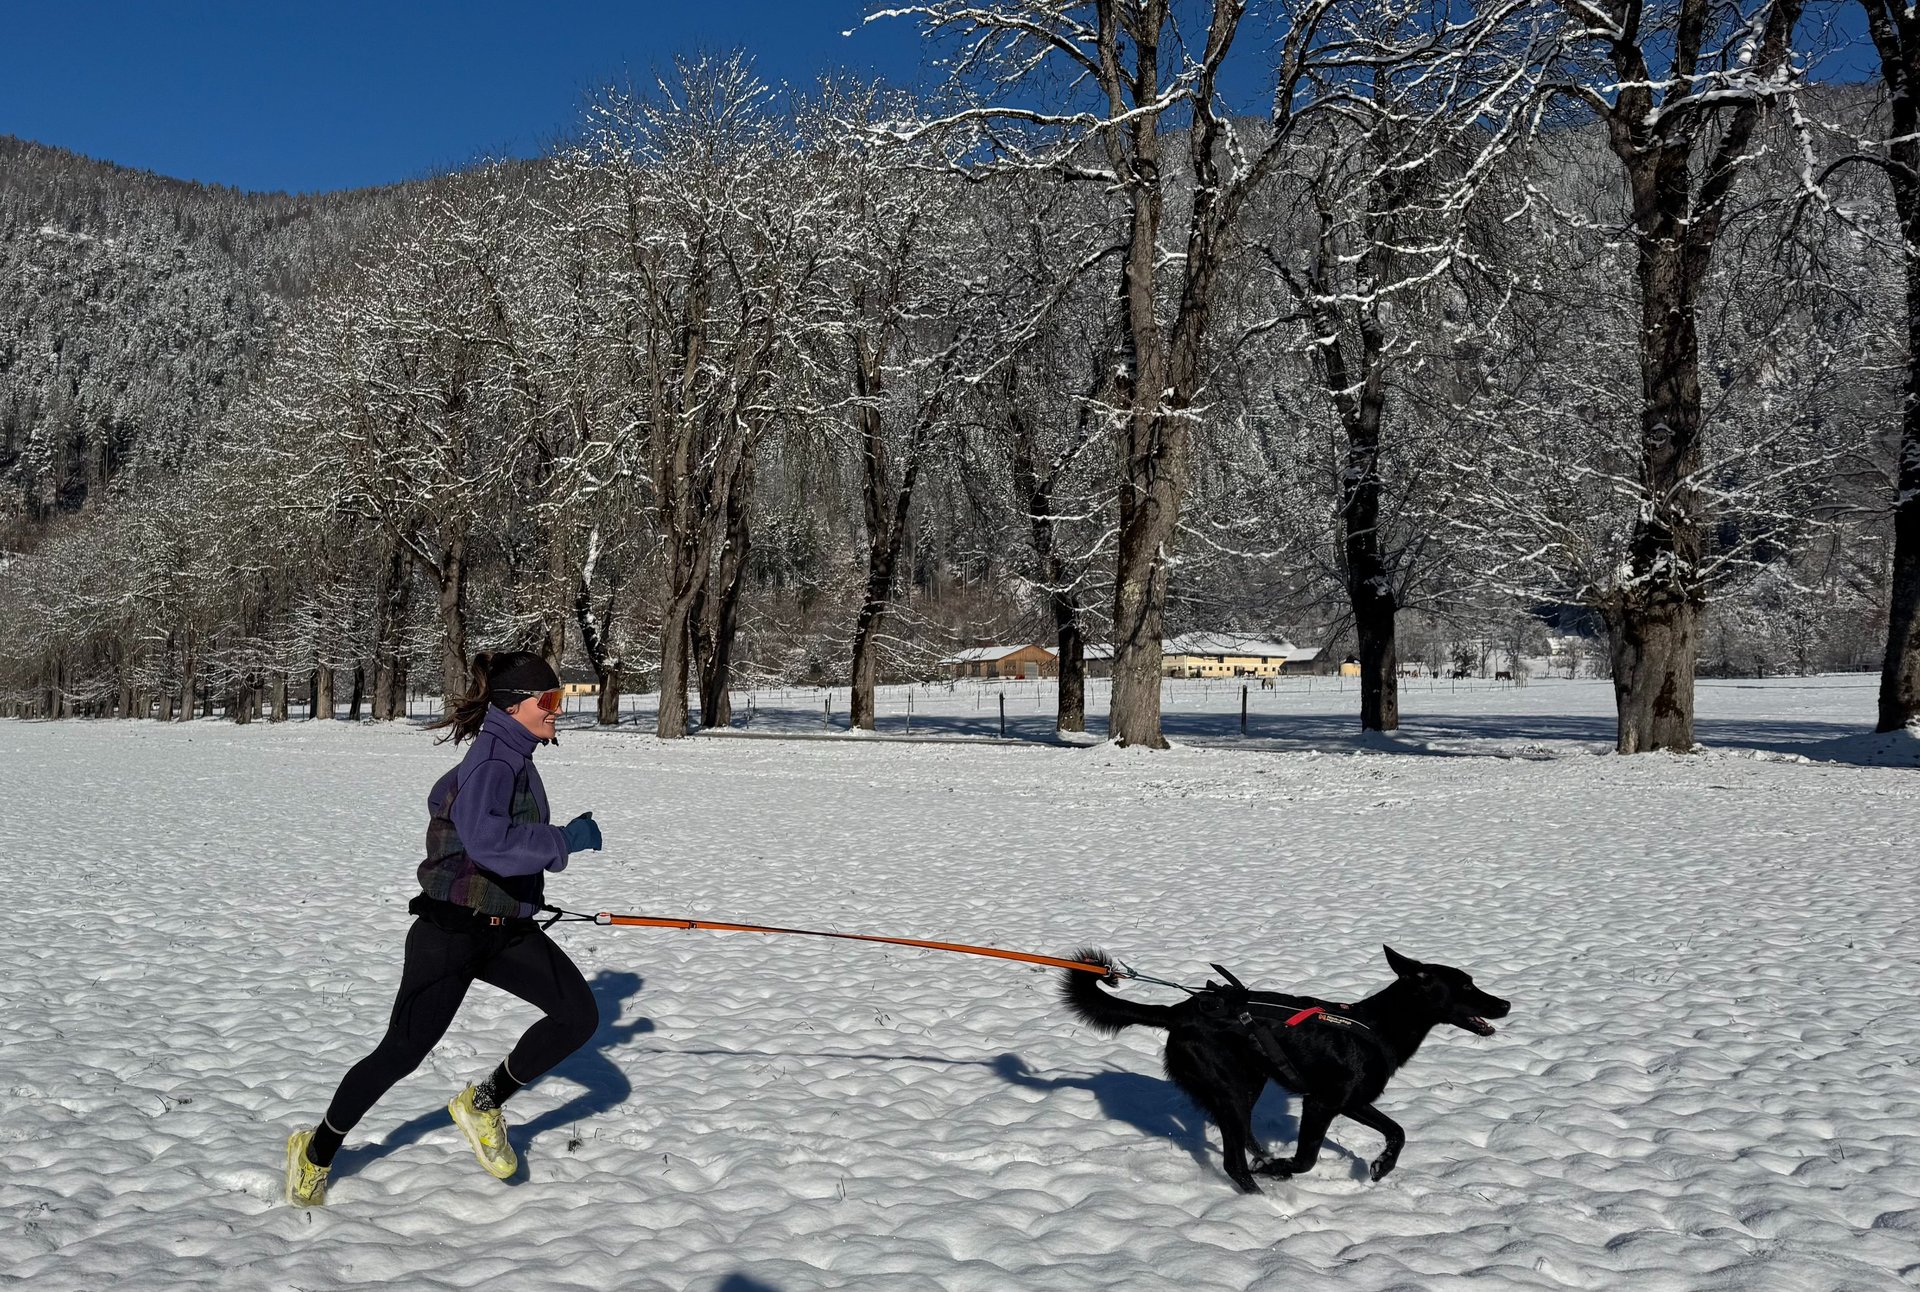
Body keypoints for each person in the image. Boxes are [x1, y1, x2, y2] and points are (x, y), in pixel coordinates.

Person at [285, 651, 605, 1207]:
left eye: (560, 700)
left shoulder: (516, 754)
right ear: (514, 706)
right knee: (402, 1052)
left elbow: (478, 832)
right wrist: (563, 841)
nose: (558, 711)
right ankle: (315, 1151)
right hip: (451, 934)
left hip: (504, 928)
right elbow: (489, 844)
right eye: (548, 701)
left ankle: (482, 1103)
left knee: (577, 1015)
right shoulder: (494, 763)